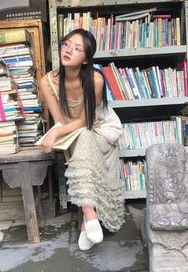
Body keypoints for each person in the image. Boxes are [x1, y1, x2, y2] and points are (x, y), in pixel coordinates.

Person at [40, 28, 124, 251]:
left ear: (86, 59)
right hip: (74, 134)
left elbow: (85, 121)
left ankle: (88, 217)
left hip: (101, 131)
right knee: (81, 140)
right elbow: (61, 122)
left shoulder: (95, 80)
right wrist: (61, 138)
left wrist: (56, 133)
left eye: (77, 49)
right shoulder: (47, 82)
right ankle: (89, 217)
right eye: (66, 44)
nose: (68, 50)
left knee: (85, 135)